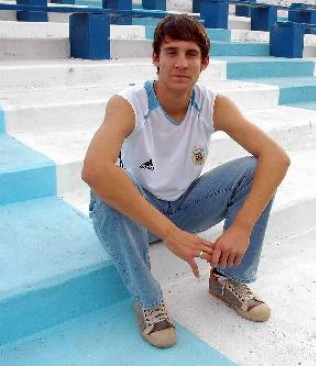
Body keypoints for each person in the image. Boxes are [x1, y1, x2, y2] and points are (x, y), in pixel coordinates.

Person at [81, 13, 290, 348]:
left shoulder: (212, 104)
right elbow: (93, 169)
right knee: (106, 188)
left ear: (204, 62)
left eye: (191, 54)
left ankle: (228, 280)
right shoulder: (129, 103)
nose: (181, 63)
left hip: (186, 205)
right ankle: (149, 300)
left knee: (256, 169)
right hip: (140, 214)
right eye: (171, 52)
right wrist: (169, 233)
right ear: (156, 58)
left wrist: (241, 228)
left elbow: (277, 157)